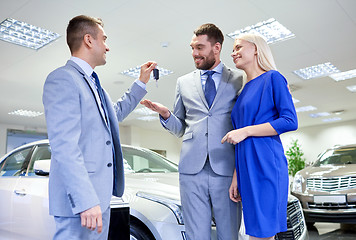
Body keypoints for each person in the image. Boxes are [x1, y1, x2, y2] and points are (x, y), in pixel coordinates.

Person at [42, 15, 156, 240]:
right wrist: (85, 199)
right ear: (88, 40)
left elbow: (116, 113)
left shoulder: (96, 87)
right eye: (103, 39)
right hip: (81, 203)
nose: (107, 46)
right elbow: (64, 145)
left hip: (98, 198)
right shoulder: (63, 79)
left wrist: (141, 83)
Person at [141, 23, 243, 240]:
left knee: (229, 234)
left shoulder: (238, 79)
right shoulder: (183, 82)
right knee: (196, 235)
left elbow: (244, 122)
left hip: (226, 169)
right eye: (192, 47)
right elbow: (179, 128)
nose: (194, 53)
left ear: (216, 48)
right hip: (191, 171)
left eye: (200, 47)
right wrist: (167, 115)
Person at [221, 33, 298, 240]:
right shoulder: (244, 91)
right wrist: (236, 176)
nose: (233, 52)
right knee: (255, 232)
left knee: (263, 233)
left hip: (266, 165)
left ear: (256, 49)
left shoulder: (273, 78)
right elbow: (239, 136)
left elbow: (290, 121)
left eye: (238, 47)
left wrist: (245, 131)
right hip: (247, 168)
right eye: (233, 49)